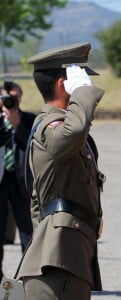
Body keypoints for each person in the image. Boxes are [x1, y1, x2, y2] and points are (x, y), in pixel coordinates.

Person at [16, 43, 106, 300]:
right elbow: (73, 132)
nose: (90, 93)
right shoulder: (51, 126)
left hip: (63, 255)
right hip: (58, 261)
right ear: (62, 85)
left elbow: (37, 201)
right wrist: (82, 95)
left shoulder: (59, 129)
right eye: (80, 83)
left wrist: (42, 240)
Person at [0, 80, 35, 281]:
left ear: (20, 98)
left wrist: (17, 124)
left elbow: (34, 145)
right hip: (1, 181)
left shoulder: (30, 119)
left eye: (13, 98)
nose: (10, 102)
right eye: (6, 98)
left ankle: (29, 278)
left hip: (21, 182)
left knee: (27, 233)